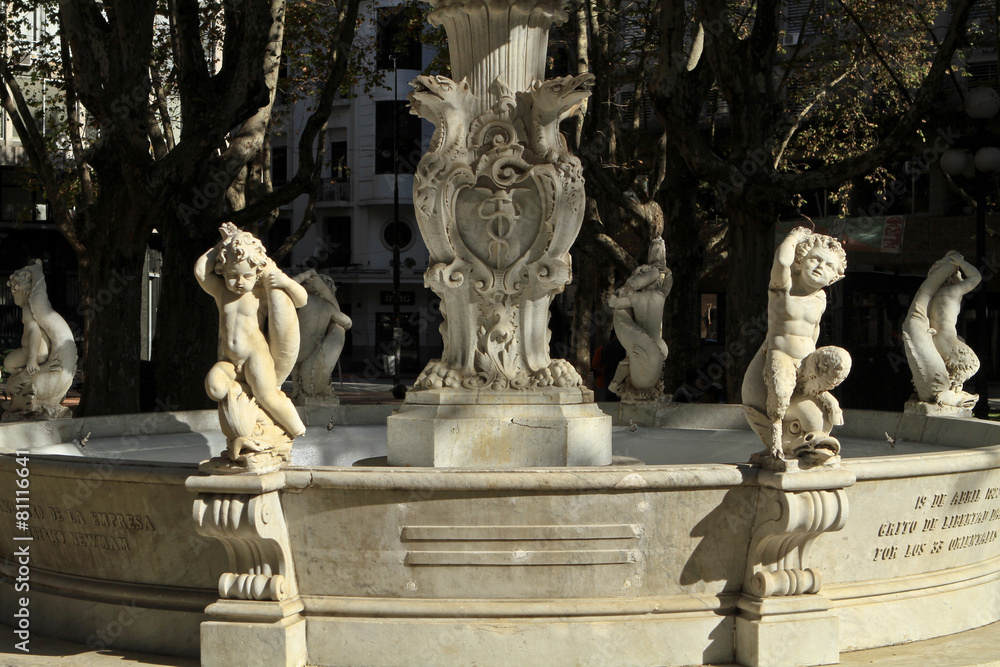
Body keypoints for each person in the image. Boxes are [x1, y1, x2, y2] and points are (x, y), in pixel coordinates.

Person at [195, 222, 309, 438]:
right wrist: (224, 242)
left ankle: (297, 428)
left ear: (257, 273)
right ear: (222, 270)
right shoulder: (222, 292)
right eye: (233, 275)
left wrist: (286, 282)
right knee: (215, 388)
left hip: (255, 358)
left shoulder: (260, 294)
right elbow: (200, 272)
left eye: (247, 276)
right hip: (231, 362)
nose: (239, 282)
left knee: (268, 396)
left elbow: (301, 300)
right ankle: (251, 400)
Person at [742, 227, 847, 457]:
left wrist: (815, 359)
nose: (821, 267)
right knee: (780, 392)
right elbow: (781, 261)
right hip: (782, 354)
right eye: (815, 259)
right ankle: (777, 437)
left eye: (829, 265)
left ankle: (824, 396)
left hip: (807, 358)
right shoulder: (783, 288)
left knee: (842, 360)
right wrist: (795, 237)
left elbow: (814, 330)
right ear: (800, 261)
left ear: (834, 277)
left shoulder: (821, 298)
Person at [903, 250, 981, 408]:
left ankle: (949, 388)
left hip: (935, 339)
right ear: (953, 275)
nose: (961, 276)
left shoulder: (933, 294)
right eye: (958, 274)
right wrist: (962, 263)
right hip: (948, 340)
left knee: (950, 368)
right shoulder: (953, 291)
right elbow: (976, 277)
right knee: (973, 364)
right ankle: (953, 389)